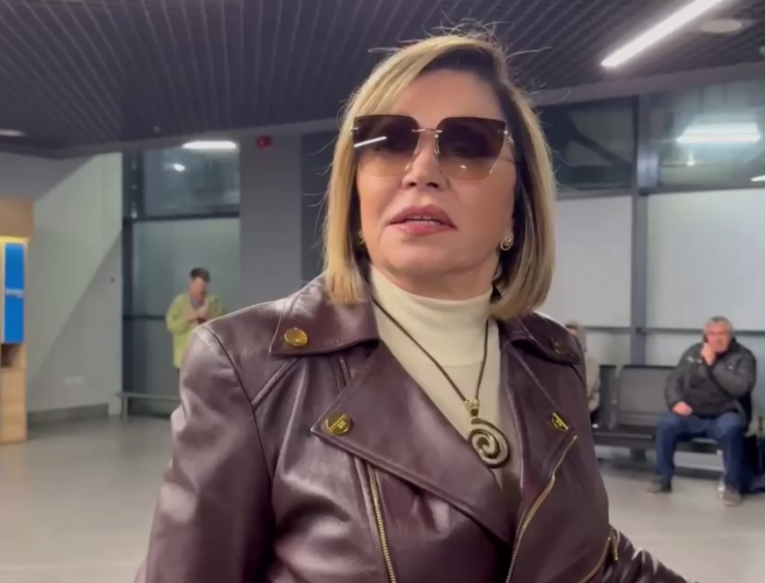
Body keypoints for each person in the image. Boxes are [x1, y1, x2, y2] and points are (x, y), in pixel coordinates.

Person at [137, 32, 690, 583]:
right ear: (355, 195)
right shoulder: (250, 368)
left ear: (516, 206)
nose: (421, 170)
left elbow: (588, 554)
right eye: (387, 142)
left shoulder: (552, 356)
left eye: (468, 144)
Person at [649, 316, 757, 506]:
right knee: (666, 424)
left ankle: (732, 485)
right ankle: (662, 478)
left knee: (732, 428)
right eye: (712, 334)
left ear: (730, 335)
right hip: (692, 415)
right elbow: (674, 380)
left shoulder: (744, 357)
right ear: (705, 336)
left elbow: (741, 387)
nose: (717, 338)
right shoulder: (693, 352)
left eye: (722, 334)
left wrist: (713, 364)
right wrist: (675, 402)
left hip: (725, 415)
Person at [164, 267, 223, 371]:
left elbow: (223, 327)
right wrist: (188, 318)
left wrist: (208, 319)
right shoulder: (179, 302)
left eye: (203, 286)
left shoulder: (214, 302)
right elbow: (171, 326)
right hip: (185, 360)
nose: (200, 289)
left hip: (208, 359)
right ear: (191, 282)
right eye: (197, 285)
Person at [566, 322, 601, 420]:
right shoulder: (558, 360)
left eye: (572, 337)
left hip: (582, 410)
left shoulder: (590, 363)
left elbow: (584, 391)